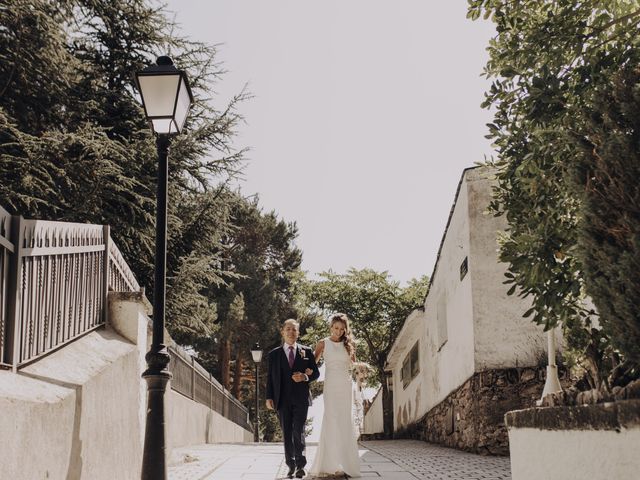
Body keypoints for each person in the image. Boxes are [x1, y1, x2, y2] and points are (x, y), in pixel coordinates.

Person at [308, 313, 361, 478]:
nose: (338, 331)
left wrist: (362, 370)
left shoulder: (348, 345)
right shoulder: (323, 343)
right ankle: (328, 463)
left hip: (345, 386)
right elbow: (312, 364)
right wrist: (305, 373)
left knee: (345, 420)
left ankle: (346, 463)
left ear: (345, 330)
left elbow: (354, 365)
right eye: (336, 328)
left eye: (341, 329)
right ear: (331, 327)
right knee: (331, 419)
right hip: (330, 386)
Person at [266, 319, 320, 479]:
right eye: (288, 329)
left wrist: (304, 376)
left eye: (294, 330)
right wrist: (269, 397)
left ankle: (300, 465)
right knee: (287, 432)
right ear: (282, 332)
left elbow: (315, 373)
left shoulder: (306, 351)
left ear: (298, 333)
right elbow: (270, 378)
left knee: (299, 430)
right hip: (281, 399)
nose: (291, 332)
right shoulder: (274, 354)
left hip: (301, 398)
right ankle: (290, 464)